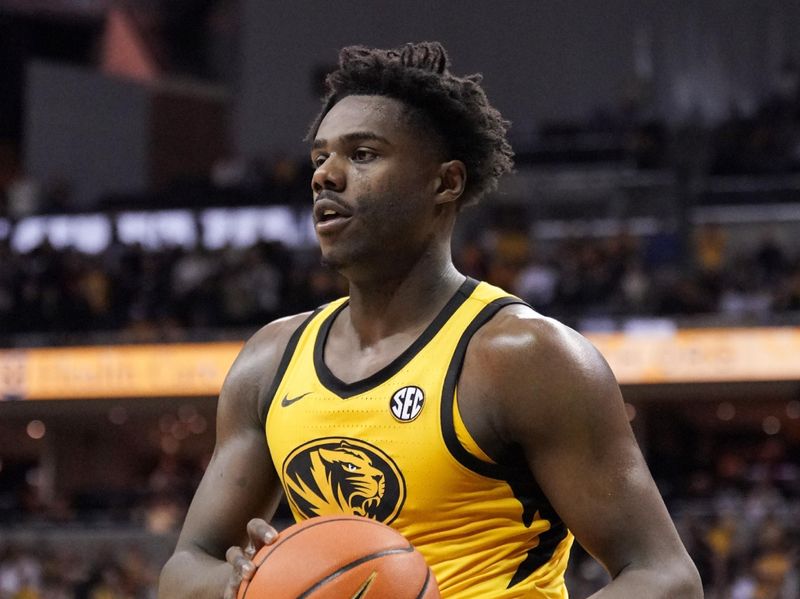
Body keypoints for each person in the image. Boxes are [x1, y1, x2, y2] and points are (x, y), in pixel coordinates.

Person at [158, 42, 702, 598]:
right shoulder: (270, 360)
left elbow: (665, 576)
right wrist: (240, 582)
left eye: (363, 154)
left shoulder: (521, 356)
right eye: (320, 158)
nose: (326, 176)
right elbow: (185, 567)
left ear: (445, 183)